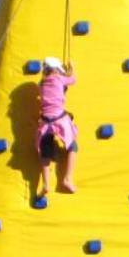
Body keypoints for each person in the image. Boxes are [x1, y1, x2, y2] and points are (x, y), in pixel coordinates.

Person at [37, 56, 77, 194]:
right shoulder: (59, 79)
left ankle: (46, 184)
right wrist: (72, 67)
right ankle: (67, 178)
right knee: (72, 146)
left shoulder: (41, 84)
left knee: (45, 151)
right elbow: (72, 79)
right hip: (59, 120)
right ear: (56, 70)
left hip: (45, 122)